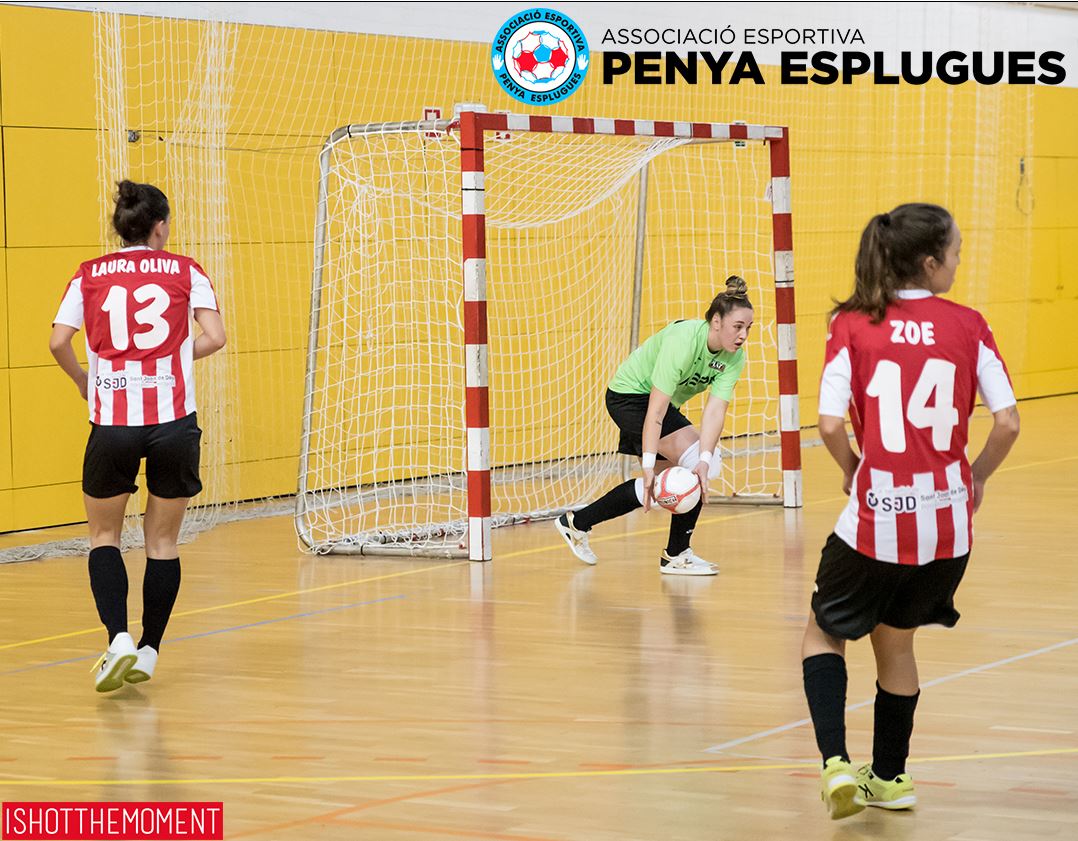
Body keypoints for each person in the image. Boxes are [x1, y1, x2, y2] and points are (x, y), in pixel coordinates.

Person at [802, 203, 1021, 819]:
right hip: (949, 530)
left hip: (877, 520)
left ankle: (837, 766)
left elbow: (825, 423)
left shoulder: (850, 324)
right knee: (895, 643)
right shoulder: (969, 325)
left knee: (823, 628)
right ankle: (892, 780)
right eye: (955, 251)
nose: (959, 259)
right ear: (930, 262)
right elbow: (1007, 423)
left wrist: (852, 468)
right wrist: (974, 479)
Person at [49, 180, 227, 693]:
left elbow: (59, 340)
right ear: (160, 225)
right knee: (163, 541)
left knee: (104, 536)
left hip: (113, 425)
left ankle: (118, 640)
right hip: (173, 423)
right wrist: (171, 360)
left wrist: (86, 380)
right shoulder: (186, 269)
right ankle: (149, 650)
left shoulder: (89, 275)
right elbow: (214, 336)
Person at [554, 275, 753, 576]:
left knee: (682, 479)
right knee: (679, 475)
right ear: (716, 321)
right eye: (737, 326)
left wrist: (704, 458)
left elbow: (714, 412)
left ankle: (577, 522)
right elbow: (656, 411)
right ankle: (676, 554)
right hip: (630, 397)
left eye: (748, 328)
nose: (743, 335)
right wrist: (648, 463)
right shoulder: (684, 342)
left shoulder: (733, 358)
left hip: (654, 406)